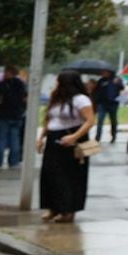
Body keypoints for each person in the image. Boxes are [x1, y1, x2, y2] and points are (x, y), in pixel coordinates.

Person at [38, 70, 95, 224]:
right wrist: (42, 137)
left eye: (58, 81)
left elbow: (90, 120)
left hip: (72, 139)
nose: (56, 83)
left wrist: (74, 137)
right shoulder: (57, 98)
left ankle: (68, 210)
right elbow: (49, 119)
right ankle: (52, 207)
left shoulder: (81, 100)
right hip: (54, 138)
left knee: (69, 176)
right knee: (50, 174)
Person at [0, 65, 28, 168]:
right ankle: (14, 162)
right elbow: (24, 99)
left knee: (0, 139)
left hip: (3, 114)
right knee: (15, 139)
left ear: (8, 72)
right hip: (17, 114)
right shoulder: (21, 84)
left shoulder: (1, 85)